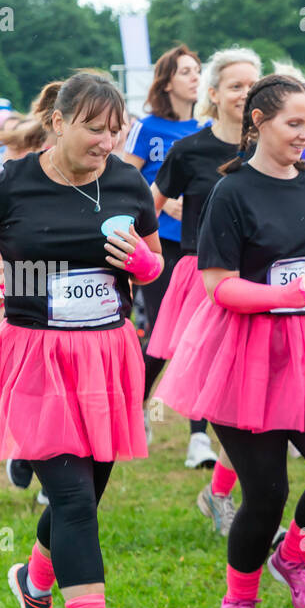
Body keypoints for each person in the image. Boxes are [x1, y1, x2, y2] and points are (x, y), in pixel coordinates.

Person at [0, 71, 162, 608]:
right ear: (59, 122)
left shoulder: (126, 180)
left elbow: (152, 258)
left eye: (115, 131)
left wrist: (145, 263)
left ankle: (32, 582)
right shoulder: (10, 183)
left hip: (108, 355)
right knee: (69, 497)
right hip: (37, 357)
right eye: (94, 129)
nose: (105, 143)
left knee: (86, 493)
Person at [156, 73, 305, 608]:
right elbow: (218, 284)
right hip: (244, 352)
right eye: (293, 124)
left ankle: (294, 556)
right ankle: (239, 599)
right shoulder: (232, 192)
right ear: (259, 123)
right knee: (267, 492)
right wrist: (281, 294)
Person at [147, 47, 259, 533]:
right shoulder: (189, 150)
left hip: (257, 281)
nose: (244, 95)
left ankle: (221, 495)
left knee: (249, 393)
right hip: (203, 279)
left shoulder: (269, 147)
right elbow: (147, 207)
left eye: (252, 86)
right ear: (213, 94)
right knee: (223, 389)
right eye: (234, 86)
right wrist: (142, 260)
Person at [122, 45, 214, 468]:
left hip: (202, 245)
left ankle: (200, 439)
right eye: (186, 71)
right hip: (158, 244)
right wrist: (162, 200)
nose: (195, 78)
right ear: (167, 82)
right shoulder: (148, 128)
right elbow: (125, 178)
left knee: (201, 335)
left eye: (198, 70)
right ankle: (137, 405)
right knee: (162, 332)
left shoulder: (210, 130)